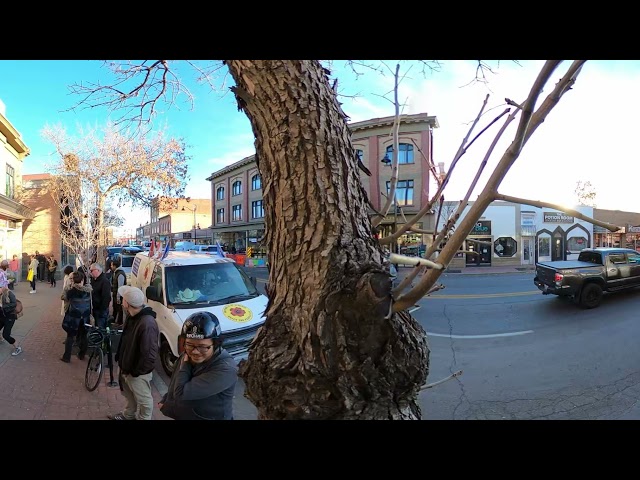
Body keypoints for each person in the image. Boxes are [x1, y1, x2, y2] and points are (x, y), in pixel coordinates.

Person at [159, 311, 237, 420]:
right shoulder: (187, 354)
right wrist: (166, 401)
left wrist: (185, 364)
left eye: (202, 347)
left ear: (216, 344)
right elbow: (176, 381)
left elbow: (180, 393)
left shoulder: (226, 369)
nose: (195, 352)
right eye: (189, 344)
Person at [108, 285, 158, 420]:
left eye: (123, 299)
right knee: (129, 394)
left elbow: (149, 355)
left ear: (127, 303)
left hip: (137, 372)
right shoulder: (132, 316)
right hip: (127, 365)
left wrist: (136, 372)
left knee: (144, 400)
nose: (121, 300)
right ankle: (128, 415)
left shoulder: (147, 323)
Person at [60, 270, 92, 363]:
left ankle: (66, 357)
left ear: (73, 281)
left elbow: (64, 297)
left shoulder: (71, 292)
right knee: (84, 336)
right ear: (82, 280)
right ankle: (82, 354)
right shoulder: (88, 290)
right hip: (85, 317)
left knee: (70, 337)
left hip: (73, 317)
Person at [0, 285, 23, 356]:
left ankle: (17, 348)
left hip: (10, 317)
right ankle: (1, 339)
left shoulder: (9, 293)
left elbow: (14, 304)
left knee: (6, 335)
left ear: (2, 288)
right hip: (2, 316)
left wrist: (2, 306)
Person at [89, 263, 111, 329]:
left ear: (97, 270)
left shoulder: (105, 281)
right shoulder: (94, 280)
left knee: (101, 327)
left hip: (101, 310)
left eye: (92, 270)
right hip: (95, 308)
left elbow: (106, 297)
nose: (91, 272)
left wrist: (102, 309)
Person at [110, 258, 127, 326]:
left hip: (119, 296)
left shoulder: (120, 274)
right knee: (115, 307)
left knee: (119, 309)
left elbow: (120, 287)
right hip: (115, 294)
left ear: (115, 266)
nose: (111, 267)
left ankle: (119, 323)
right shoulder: (116, 273)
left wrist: (118, 298)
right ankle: (114, 320)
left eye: (112, 265)